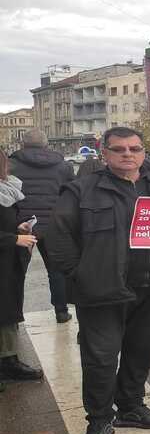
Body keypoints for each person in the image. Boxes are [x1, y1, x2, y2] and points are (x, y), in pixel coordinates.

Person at [46, 126, 150, 434]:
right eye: (119, 149)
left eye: (134, 148)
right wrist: (80, 275)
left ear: (143, 153)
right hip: (102, 292)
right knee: (100, 359)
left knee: (142, 351)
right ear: (105, 153)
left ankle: (130, 407)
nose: (128, 154)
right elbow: (57, 239)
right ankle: (99, 420)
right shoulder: (81, 190)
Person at [9, 129, 75, 323]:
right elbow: (70, 194)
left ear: (23, 144)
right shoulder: (63, 166)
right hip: (53, 225)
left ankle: (13, 317)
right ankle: (61, 311)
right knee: (56, 271)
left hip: (22, 225)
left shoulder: (11, 165)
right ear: (47, 145)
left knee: (16, 272)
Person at [0, 150, 43, 393]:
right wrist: (13, 239)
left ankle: (9, 360)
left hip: (8, 263)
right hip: (6, 253)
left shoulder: (8, 188)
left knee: (8, 311)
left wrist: (19, 226)